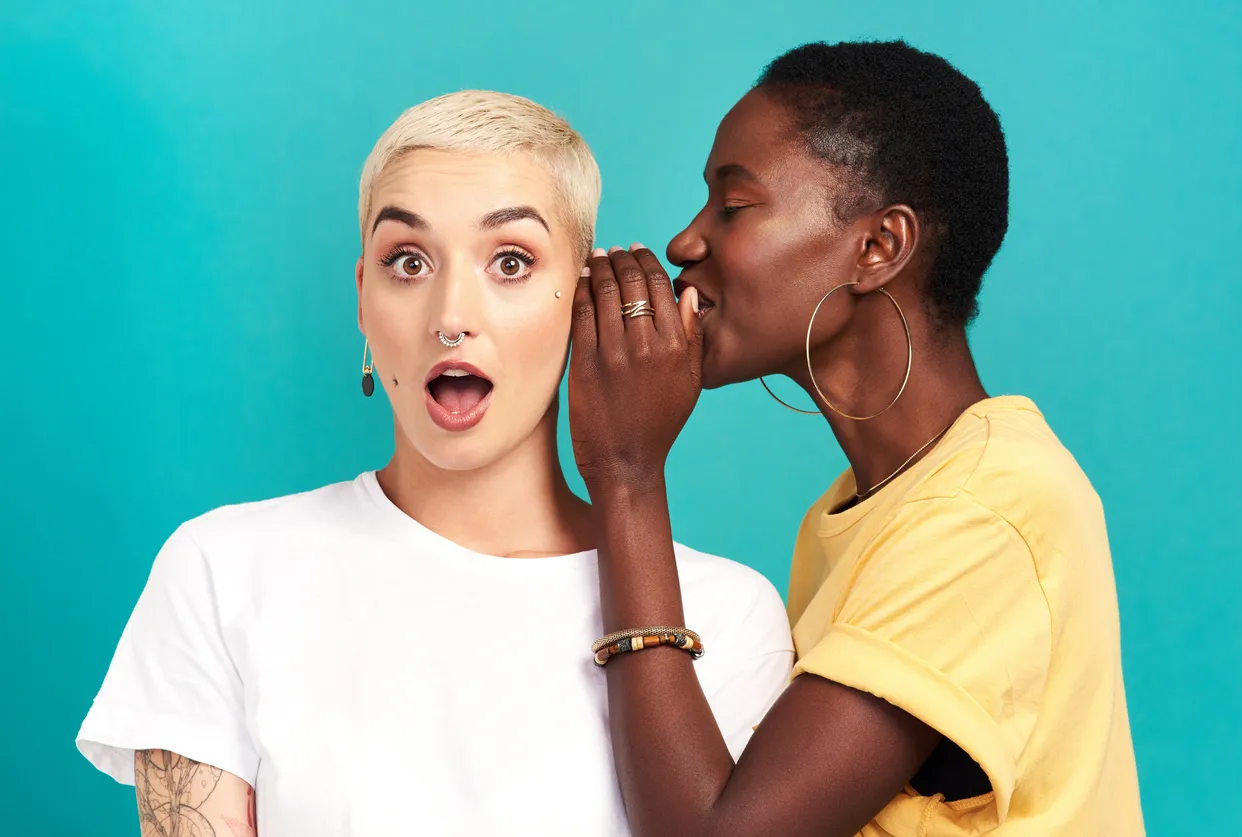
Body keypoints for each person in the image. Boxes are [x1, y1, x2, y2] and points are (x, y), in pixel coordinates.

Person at [76, 90, 793, 836]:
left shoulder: (727, 614)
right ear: (363, 298)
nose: (451, 315)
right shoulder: (221, 569)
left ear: (584, 301)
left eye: (510, 261)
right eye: (408, 261)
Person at [567, 41, 1144, 836]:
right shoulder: (849, 513)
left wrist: (628, 474)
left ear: (878, 248)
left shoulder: (986, 512)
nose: (683, 243)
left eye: (733, 207)